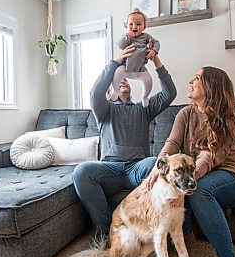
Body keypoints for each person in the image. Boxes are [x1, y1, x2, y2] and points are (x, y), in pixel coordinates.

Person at [148, 66, 235, 257]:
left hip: (234, 174)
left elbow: (209, 156)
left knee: (199, 190)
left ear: (210, 86)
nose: (190, 81)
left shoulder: (229, 120)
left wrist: (188, 182)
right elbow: (171, 144)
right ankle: (186, 240)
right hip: (195, 172)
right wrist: (158, 169)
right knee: (173, 185)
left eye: (196, 78)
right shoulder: (185, 114)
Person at [72, 44, 177, 237]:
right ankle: (106, 232)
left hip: (137, 168)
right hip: (109, 170)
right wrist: (116, 62)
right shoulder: (104, 110)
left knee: (157, 164)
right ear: (109, 89)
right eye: (119, 81)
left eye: (126, 81)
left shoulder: (143, 108)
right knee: (81, 172)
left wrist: (156, 61)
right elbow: (95, 93)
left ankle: (155, 234)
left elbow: (170, 93)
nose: (123, 82)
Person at [111, 8, 160, 107]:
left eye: (138, 24)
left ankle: (145, 97)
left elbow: (156, 42)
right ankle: (115, 90)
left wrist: (154, 51)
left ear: (144, 27)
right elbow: (120, 45)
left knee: (148, 81)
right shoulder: (127, 37)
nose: (134, 27)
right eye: (131, 24)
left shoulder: (146, 36)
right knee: (116, 74)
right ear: (127, 25)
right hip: (126, 67)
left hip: (141, 69)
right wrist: (127, 36)